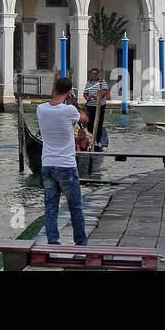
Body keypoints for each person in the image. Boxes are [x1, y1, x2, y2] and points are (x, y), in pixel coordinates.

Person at [36, 77, 88, 246]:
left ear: (53, 87)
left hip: (47, 163)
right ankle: (81, 244)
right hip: (66, 165)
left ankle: (53, 242)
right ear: (69, 91)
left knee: (51, 208)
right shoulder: (70, 110)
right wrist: (72, 100)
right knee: (76, 208)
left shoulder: (40, 109)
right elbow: (85, 119)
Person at [80, 67, 110, 135]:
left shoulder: (102, 82)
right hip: (90, 105)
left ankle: (98, 139)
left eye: (95, 73)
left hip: (100, 105)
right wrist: (87, 98)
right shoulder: (88, 83)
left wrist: (98, 96)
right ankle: (90, 136)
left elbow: (105, 91)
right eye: (93, 73)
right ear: (91, 74)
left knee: (99, 122)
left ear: (98, 74)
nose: (94, 75)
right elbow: (85, 93)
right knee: (90, 122)